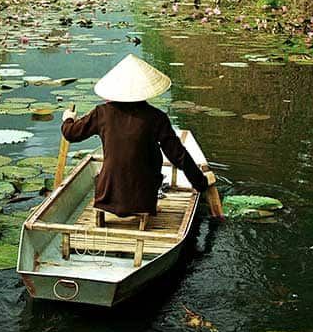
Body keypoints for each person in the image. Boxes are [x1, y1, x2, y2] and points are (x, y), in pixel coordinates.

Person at [61, 54, 215, 224]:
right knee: (154, 153)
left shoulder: (102, 113)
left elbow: (71, 133)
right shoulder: (157, 117)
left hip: (108, 193)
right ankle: (148, 202)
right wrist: (200, 182)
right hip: (142, 197)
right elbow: (178, 155)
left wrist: (68, 118)